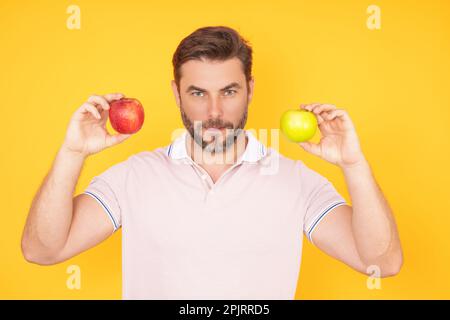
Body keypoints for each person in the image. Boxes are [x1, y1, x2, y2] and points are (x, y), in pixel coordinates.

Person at [21, 26, 403, 299]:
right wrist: (73, 153)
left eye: (230, 91)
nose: (215, 111)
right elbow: (42, 251)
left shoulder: (297, 183)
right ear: (177, 94)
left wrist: (353, 163)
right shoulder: (133, 177)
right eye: (198, 92)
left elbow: (381, 263)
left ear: (250, 90)